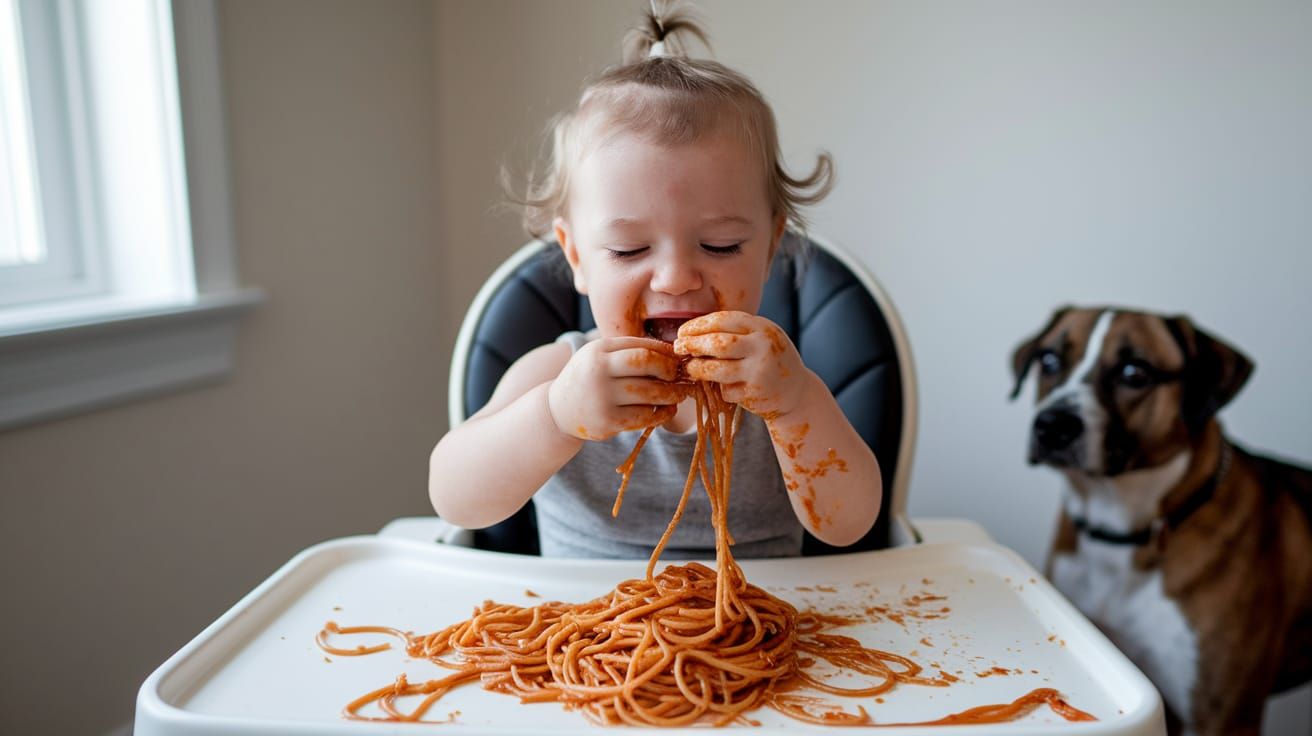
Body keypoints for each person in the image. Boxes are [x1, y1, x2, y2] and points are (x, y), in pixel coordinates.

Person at [429, 1, 880, 558]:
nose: (675, 278)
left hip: (756, 614)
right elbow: (454, 500)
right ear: (576, 256)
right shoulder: (555, 373)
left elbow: (850, 525)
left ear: (770, 248)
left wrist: (795, 405)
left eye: (720, 245)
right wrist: (556, 417)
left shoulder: (780, 383)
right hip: (584, 614)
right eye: (629, 249)